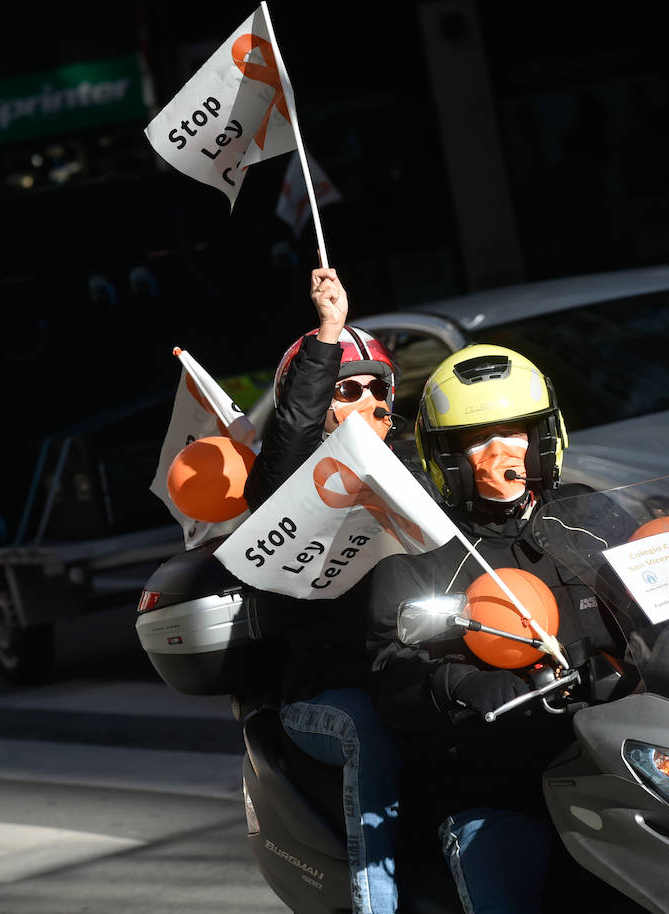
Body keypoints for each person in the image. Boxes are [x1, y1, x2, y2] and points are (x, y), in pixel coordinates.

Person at [366, 344, 622, 913]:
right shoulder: (424, 553)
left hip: (623, 756)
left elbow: (661, 587)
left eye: (516, 432)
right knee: (507, 872)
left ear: (545, 438)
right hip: (504, 779)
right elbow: (391, 670)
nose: (501, 452)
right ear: (447, 457)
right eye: (479, 439)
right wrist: (462, 685)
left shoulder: (589, 518)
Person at [241, 267, 402, 914]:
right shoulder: (290, 490)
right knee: (369, 728)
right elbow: (286, 454)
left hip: (414, 674)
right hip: (327, 694)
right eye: (346, 389)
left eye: (374, 387)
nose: (364, 398)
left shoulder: (416, 470)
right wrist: (330, 335)